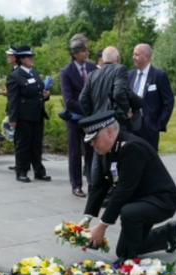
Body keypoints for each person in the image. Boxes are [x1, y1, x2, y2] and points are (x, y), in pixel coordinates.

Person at [79, 110, 176, 260]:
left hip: (161, 200)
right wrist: (87, 218)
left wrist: (102, 226)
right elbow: (100, 185)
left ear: (109, 132)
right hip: (140, 200)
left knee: (129, 213)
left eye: (94, 138)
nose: (92, 143)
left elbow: (124, 190)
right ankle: (167, 234)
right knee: (122, 250)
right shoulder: (107, 149)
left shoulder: (132, 147)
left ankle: (131, 262)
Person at [6, 45, 51, 183]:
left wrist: (45, 95)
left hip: (37, 114)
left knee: (36, 144)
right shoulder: (15, 76)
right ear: (21, 60)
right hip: (24, 115)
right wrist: (12, 117)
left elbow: (38, 91)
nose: (31, 59)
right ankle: (21, 171)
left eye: (31, 56)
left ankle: (39, 171)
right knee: (23, 144)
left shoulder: (34, 73)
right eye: (28, 57)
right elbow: (13, 98)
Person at [60, 34, 97, 197]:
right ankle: (76, 185)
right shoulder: (66, 72)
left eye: (86, 49)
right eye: (83, 50)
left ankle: (91, 182)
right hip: (75, 120)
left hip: (91, 121)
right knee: (75, 153)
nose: (86, 53)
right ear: (75, 53)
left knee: (91, 152)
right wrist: (87, 110)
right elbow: (69, 100)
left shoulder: (93, 68)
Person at [127, 43, 174, 152]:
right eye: (133, 54)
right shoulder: (129, 75)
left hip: (149, 128)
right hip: (131, 127)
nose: (133, 57)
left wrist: (159, 124)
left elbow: (169, 102)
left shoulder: (159, 75)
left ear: (146, 56)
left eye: (136, 55)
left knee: (149, 162)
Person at [80, 47, 133, 126]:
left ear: (103, 59)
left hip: (96, 122)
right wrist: (127, 110)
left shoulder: (92, 74)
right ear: (118, 58)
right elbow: (118, 93)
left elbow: (82, 99)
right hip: (113, 122)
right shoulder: (120, 69)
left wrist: (91, 115)